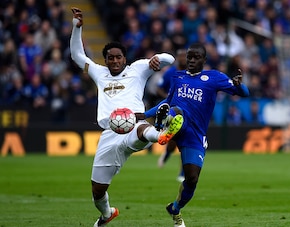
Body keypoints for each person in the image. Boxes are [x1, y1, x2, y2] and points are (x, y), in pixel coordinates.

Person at [70, 7, 184, 227]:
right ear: (105, 60)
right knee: (97, 190)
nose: (114, 61)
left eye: (118, 57)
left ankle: (161, 133)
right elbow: (76, 56)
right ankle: (107, 214)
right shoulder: (98, 72)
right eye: (110, 58)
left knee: (140, 130)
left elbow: (169, 59)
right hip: (109, 135)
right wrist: (77, 27)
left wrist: (157, 58)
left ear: (125, 58)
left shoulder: (138, 68)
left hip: (133, 124)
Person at [144, 43, 249, 227]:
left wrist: (240, 86)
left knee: (192, 179)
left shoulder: (214, 77)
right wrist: (144, 115)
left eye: (195, 57)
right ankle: (164, 124)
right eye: (188, 56)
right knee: (175, 110)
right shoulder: (178, 77)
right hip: (178, 119)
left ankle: (175, 208)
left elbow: (245, 93)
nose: (190, 60)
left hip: (195, 135)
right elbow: (166, 102)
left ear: (204, 60)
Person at [156, 49, 187, 182]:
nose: (183, 59)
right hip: (173, 110)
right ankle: (167, 154)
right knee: (173, 142)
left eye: (184, 56)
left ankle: (182, 173)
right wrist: (169, 99)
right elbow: (159, 88)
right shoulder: (169, 72)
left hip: (187, 111)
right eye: (180, 56)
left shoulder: (191, 73)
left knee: (185, 142)